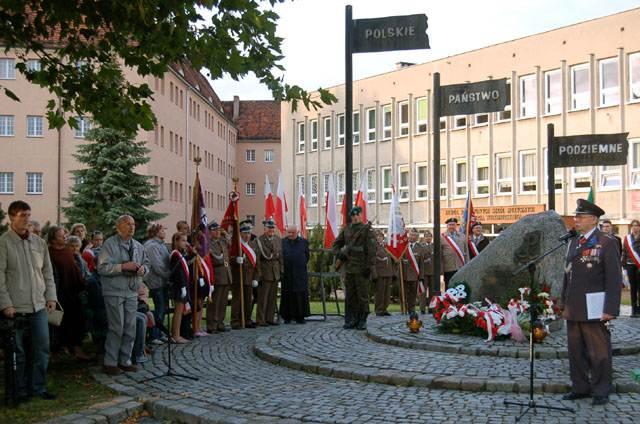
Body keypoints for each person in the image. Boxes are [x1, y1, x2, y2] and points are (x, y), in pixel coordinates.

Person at [560, 198, 621, 406]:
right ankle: (580, 387)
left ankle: (601, 390)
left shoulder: (607, 242)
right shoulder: (573, 242)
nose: (576, 219)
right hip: (574, 305)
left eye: (580, 216)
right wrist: (563, 302)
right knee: (575, 352)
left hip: (595, 306)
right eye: (576, 216)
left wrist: (610, 309)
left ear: (593, 219)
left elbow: (614, 278)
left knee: (599, 352)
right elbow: (567, 275)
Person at [0, 200, 58, 401]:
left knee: (42, 348)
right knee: (19, 352)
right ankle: (21, 390)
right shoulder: (3, 243)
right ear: (11, 217)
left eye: (28, 214)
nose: (27, 219)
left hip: (39, 306)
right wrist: (5, 304)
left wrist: (51, 296)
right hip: (15, 308)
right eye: (22, 215)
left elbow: (48, 272)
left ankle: (38, 388)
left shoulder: (38, 243)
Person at [98, 215, 149, 375]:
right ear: (119, 226)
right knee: (117, 327)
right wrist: (122, 267)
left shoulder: (138, 246)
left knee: (130, 327)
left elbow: (147, 264)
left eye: (133, 224)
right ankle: (110, 362)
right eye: (128, 224)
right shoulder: (109, 244)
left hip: (131, 291)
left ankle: (125, 360)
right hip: (114, 291)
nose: (131, 227)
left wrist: (143, 270)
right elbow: (102, 268)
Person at [48, 228, 91, 361]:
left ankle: (77, 350)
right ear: (53, 239)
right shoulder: (49, 253)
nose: (65, 238)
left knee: (77, 321)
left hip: (74, 292)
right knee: (57, 324)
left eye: (65, 235)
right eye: (62, 236)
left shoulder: (67, 250)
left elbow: (74, 268)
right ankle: (54, 353)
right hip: (59, 294)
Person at [332, 207, 375, 330]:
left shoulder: (367, 230)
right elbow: (335, 244)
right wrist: (339, 254)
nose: (355, 217)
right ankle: (352, 319)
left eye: (357, 215)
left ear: (361, 215)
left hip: (362, 268)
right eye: (353, 215)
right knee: (350, 296)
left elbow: (371, 250)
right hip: (349, 267)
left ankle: (362, 320)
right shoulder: (346, 229)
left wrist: (369, 267)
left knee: (362, 295)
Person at [143, 224, 171, 344]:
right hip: (156, 281)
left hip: (163, 281)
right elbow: (158, 265)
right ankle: (153, 335)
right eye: (162, 230)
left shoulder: (161, 245)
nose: (164, 232)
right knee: (159, 308)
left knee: (163, 308)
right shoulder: (151, 246)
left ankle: (159, 333)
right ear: (155, 232)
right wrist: (169, 274)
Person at [231, 220, 260, 329]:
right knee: (237, 300)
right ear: (241, 234)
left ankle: (247, 319)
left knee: (249, 300)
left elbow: (257, 264)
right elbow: (229, 259)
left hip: (249, 277)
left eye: (248, 233)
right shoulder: (237, 245)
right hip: (239, 277)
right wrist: (235, 260)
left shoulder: (252, 245)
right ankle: (235, 321)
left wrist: (256, 278)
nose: (247, 236)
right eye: (245, 233)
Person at [206, 221, 232, 333]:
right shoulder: (208, 243)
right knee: (214, 302)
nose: (217, 232)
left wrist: (225, 234)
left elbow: (230, 244)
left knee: (223, 301)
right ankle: (212, 325)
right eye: (214, 230)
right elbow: (215, 259)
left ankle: (220, 323)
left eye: (218, 230)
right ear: (210, 232)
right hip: (217, 274)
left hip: (226, 274)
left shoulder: (222, 241)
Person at [256, 218, 283, 326]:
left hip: (275, 272)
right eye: (269, 228)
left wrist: (281, 270)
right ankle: (260, 319)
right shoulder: (259, 240)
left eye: (273, 228)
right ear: (264, 229)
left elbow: (281, 257)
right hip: (265, 272)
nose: (272, 230)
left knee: (272, 298)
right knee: (263, 298)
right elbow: (257, 259)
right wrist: (259, 274)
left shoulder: (278, 239)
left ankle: (270, 318)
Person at [282, 225, 311, 324]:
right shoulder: (283, 242)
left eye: (292, 233)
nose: (290, 234)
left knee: (300, 294)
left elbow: (307, 256)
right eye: (288, 232)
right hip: (287, 273)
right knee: (287, 295)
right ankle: (287, 317)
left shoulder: (303, 242)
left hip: (299, 273)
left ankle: (300, 317)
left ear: (297, 232)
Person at [168, 232, 191, 343]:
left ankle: (177, 334)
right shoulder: (175, 254)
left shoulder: (181, 254)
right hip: (179, 287)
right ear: (176, 241)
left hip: (183, 286)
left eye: (186, 240)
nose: (185, 243)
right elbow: (178, 272)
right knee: (178, 311)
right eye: (183, 240)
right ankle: (175, 335)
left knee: (181, 311)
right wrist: (182, 286)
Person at [441, 217, 469, 285]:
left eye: (453, 225)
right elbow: (439, 255)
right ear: (447, 226)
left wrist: (467, 264)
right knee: (449, 285)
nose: (452, 226)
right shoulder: (441, 237)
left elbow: (466, 252)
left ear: (456, 225)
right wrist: (441, 269)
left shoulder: (462, 236)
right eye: (450, 225)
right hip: (448, 267)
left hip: (461, 266)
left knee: (460, 286)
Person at [402, 228, 424, 314]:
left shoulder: (420, 248)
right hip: (404, 274)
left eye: (414, 235)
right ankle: (404, 308)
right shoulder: (404, 246)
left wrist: (421, 276)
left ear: (417, 237)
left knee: (413, 293)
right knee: (404, 293)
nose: (412, 237)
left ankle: (412, 309)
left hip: (415, 275)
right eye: (411, 235)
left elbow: (421, 264)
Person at [622, 219, 640, 317]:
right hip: (630, 265)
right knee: (633, 288)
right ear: (631, 227)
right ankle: (634, 310)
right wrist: (624, 267)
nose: (635, 227)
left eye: (637, 225)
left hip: (639, 266)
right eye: (633, 225)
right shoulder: (627, 238)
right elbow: (624, 252)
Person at [373, 230, 394, 316]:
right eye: (377, 236)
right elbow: (373, 261)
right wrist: (374, 274)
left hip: (388, 272)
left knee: (387, 292)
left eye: (380, 236)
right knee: (380, 292)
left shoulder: (386, 246)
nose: (379, 238)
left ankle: (385, 309)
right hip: (379, 273)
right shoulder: (374, 247)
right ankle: (378, 309)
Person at [419, 231, 435, 314]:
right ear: (424, 238)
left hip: (433, 272)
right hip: (424, 272)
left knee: (432, 292)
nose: (428, 238)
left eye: (429, 236)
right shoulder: (421, 246)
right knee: (423, 292)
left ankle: (431, 308)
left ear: (431, 238)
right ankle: (422, 308)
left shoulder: (434, 246)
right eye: (426, 236)